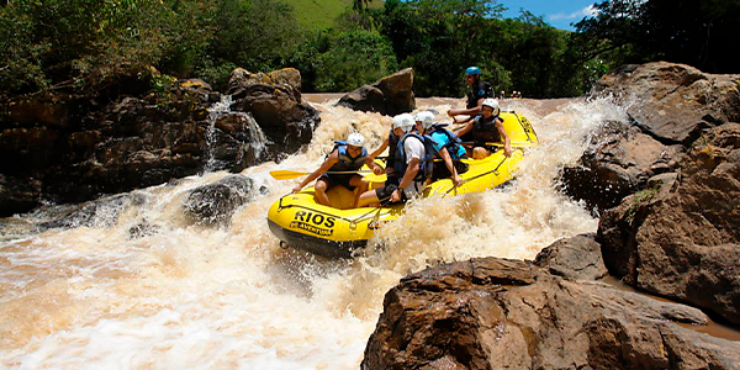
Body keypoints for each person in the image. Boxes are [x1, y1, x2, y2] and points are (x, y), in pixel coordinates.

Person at [357, 113, 437, 207]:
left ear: (402, 128)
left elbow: (414, 168)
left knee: (362, 198)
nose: (395, 132)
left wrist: (399, 190)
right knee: (374, 194)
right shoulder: (416, 139)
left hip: (407, 190)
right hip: (414, 186)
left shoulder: (409, 141)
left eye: (396, 129)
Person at [292, 133, 382, 208]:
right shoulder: (336, 156)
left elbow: (372, 164)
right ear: (348, 146)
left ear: (361, 148)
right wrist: (300, 185)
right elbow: (320, 171)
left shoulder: (365, 155)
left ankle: (356, 207)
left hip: (348, 177)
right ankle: (328, 209)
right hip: (331, 176)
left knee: (365, 182)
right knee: (319, 187)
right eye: (352, 148)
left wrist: (375, 168)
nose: (354, 152)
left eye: (357, 149)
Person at [415, 111, 466, 186]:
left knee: (432, 169)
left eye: (418, 124)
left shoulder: (435, 138)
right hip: (452, 158)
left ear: (425, 125)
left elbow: (447, 158)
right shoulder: (427, 134)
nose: (416, 127)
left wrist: (456, 176)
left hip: (460, 160)